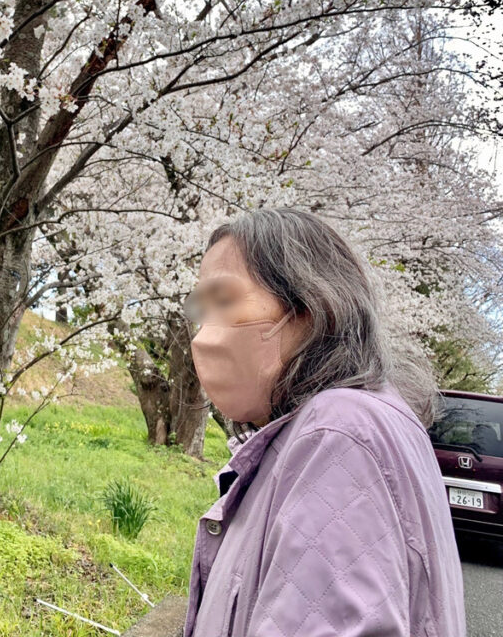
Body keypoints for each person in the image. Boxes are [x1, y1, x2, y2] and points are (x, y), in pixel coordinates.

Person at [182, 207, 466, 637]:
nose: (205, 331)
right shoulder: (357, 423)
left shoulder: (337, 433)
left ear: (313, 306)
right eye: (201, 307)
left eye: (223, 299)